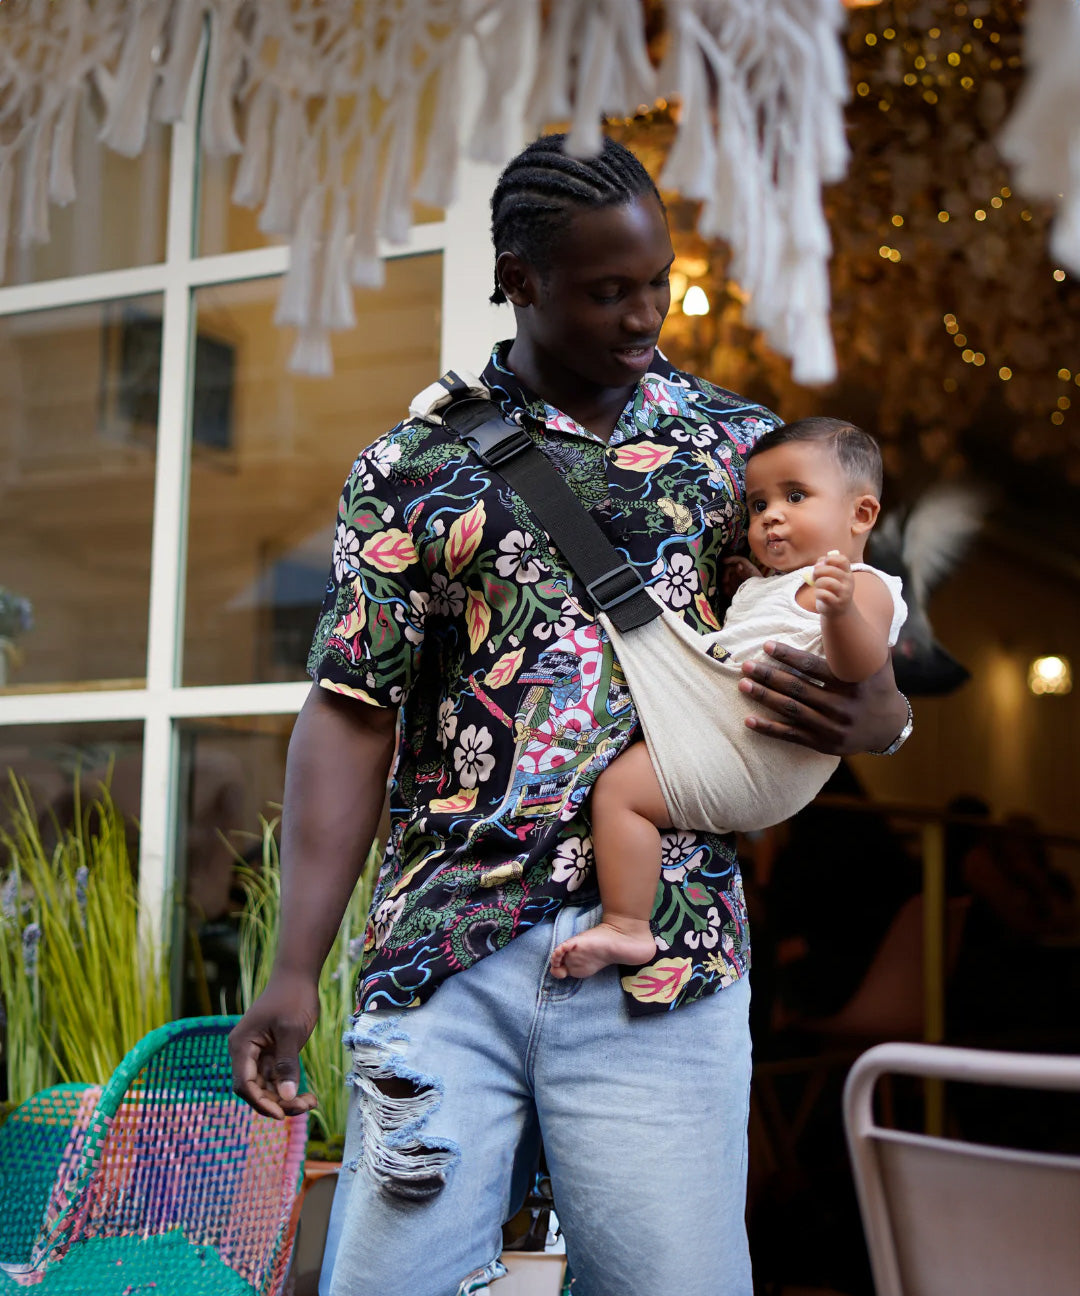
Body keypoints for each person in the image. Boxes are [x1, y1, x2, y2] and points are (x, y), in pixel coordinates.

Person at [228, 134, 912, 1296]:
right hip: (446, 953)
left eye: (658, 282)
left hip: (667, 960)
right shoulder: (412, 467)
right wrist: (296, 964)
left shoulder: (744, 452)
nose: (647, 313)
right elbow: (350, 710)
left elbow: (872, 642)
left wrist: (877, 711)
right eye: (608, 290)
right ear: (521, 279)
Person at [549, 418, 907, 978]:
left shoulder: (861, 584)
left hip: (768, 755)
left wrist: (842, 614)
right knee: (620, 785)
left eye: (795, 496)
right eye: (759, 504)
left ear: (860, 514)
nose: (771, 516)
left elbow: (860, 666)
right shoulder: (778, 581)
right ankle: (628, 925)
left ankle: (627, 926)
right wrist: (748, 583)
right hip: (728, 725)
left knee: (620, 791)